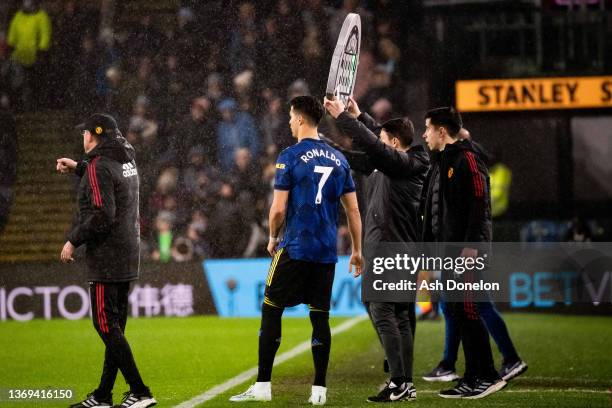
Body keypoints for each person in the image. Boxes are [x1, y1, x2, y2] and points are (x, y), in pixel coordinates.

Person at [229, 96, 363, 405]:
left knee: (271, 310)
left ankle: (263, 386)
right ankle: (319, 391)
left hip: (295, 246)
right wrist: (357, 250)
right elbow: (354, 212)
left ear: (301, 119)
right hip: (326, 253)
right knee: (320, 318)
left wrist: (274, 237)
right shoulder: (339, 159)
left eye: (291, 117)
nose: (290, 122)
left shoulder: (289, 156)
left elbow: (278, 209)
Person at [324, 96, 429, 402]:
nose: (379, 142)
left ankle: (399, 380)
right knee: (397, 313)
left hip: (393, 249)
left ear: (395, 143)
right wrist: (331, 143)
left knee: (383, 309)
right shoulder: (397, 162)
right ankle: (403, 380)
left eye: (385, 138)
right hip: (392, 247)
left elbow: (375, 148)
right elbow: (362, 156)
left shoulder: (408, 163)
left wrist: (345, 118)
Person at [56, 114, 156, 408]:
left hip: (107, 256)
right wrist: (79, 168)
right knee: (115, 328)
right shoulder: (126, 158)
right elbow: (111, 179)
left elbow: (102, 214)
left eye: (85, 132)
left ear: (94, 135)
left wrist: (73, 239)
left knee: (104, 325)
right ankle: (102, 395)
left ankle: (140, 391)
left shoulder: (100, 165)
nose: (83, 137)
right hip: (127, 253)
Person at [421, 107, 506, 399]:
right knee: (458, 310)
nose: (425, 134)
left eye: (428, 128)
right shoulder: (446, 160)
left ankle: (487, 375)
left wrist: (471, 248)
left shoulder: (467, 159)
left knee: (468, 309)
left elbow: (480, 206)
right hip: (451, 252)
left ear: (442, 131)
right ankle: (471, 377)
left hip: (466, 252)